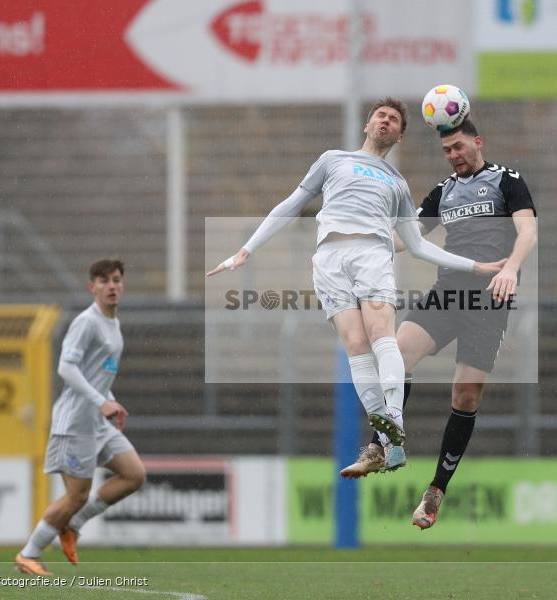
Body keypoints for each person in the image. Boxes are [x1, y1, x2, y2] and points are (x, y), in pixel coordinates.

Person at [207, 98, 505, 473]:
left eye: (394, 120)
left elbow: (417, 245)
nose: (386, 121)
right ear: (367, 125)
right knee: (356, 345)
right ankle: (389, 438)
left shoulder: (397, 183)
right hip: (329, 258)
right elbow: (292, 202)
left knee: (383, 332)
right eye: (380, 115)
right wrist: (246, 250)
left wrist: (474, 265)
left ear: (399, 136)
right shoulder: (333, 159)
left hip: (372, 253)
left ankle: (393, 417)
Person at [338, 118, 537, 531]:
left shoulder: (506, 181)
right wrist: (357, 242)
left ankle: (435, 491)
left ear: (477, 142)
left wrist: (512, 269)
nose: (454, 155)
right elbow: (405, 238)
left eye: (459, 147)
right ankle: (382, 446)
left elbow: (528, 231)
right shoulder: (442, 193)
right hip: (447, 294)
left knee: (465, 397)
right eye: (447, 151)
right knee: (395, 352)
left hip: (488, 301)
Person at [15, 259, 147, 575]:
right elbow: (66, 368)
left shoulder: (113, 325)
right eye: (104, 281)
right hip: (75, 423)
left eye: (116, 280)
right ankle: (28, 555)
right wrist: (101, 401)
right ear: (93, 288)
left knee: (133, 474)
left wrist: (110, 402)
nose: (112, 286)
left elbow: (99, 374)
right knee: (76, 496)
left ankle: (72, 526)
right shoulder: (86, 322)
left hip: (98, 420)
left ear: (122, 285)